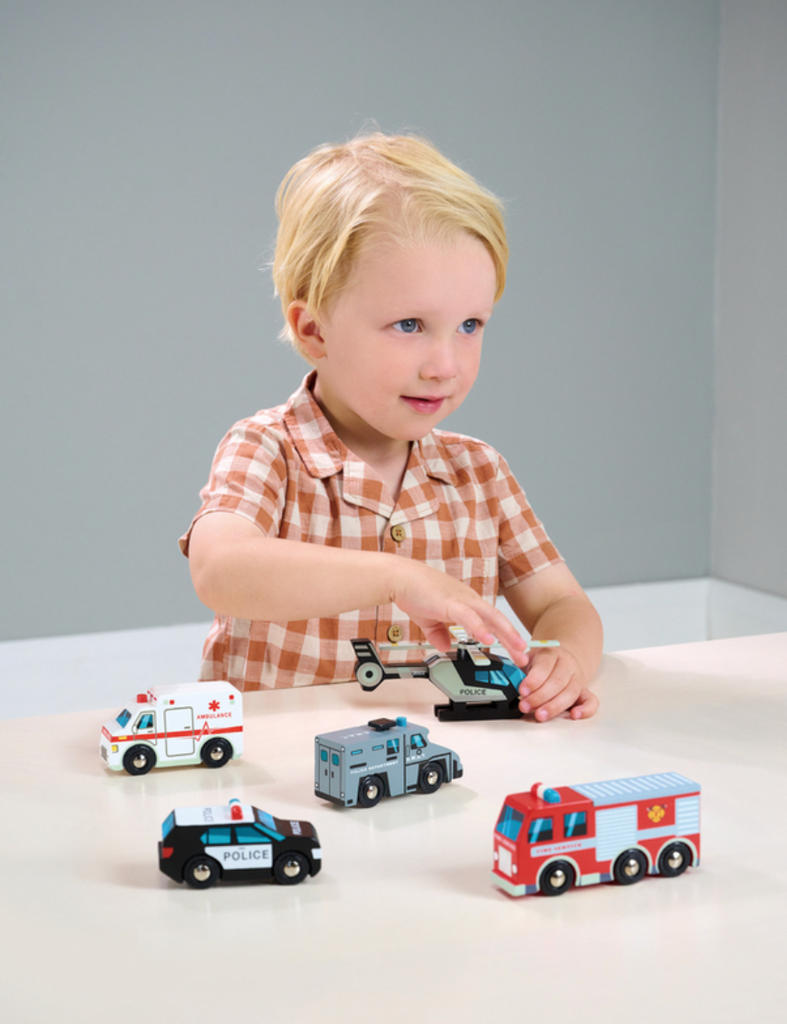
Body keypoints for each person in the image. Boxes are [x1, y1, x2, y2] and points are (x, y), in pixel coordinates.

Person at [180, 132, 602, 721]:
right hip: (283, 761)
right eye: (409, 325)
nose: (445, 365)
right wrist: (395, 577)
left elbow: (563, 604)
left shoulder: (479, 473)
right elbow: (220, 569)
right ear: (313, 330)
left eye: (470, 325)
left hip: (435, 755)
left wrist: (566, 658)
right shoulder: (267, 448)